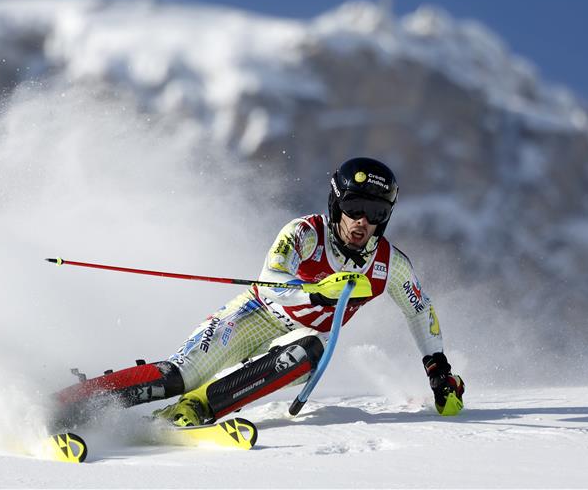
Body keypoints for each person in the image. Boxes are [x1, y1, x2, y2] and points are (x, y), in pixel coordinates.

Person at [52, 157, 465, 429]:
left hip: (300, 344)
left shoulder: (390, 264)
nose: (362, 221)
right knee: (179, 375)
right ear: (337, 204)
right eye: (355, 206)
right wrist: (317, 295)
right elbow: (275, 278)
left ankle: (195, 411)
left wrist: (438, 371)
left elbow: (420, 311)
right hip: (254, 316)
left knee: (309, 352)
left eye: (375, 213)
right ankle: (67, 402)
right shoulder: (303, 233)